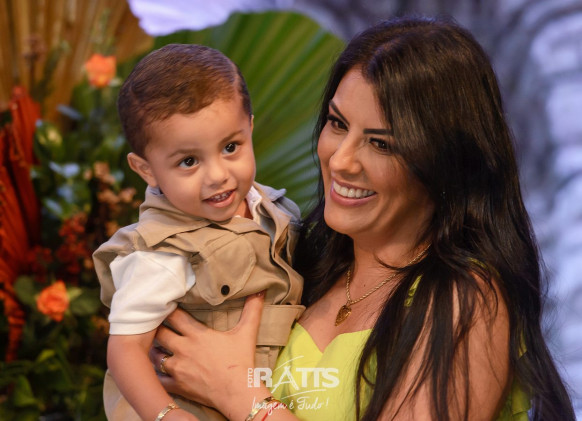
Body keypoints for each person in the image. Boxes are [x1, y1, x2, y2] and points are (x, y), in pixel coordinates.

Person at [148, 16, 576, 421]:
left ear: (444, 162)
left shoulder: (465, 300)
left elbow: (232, 386)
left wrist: (238, 394)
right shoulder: (292, 261)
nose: (341, 160)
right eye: (338, 123)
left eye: (381, 144)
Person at [92, 43, 305, 421]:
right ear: (146, 169)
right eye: (189, 161)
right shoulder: (162, 253)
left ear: (250, 127)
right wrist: (167, 414)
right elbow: (125, 351)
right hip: (197, 407)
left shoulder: (271, 208)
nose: (218, 175)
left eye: (231, 147)